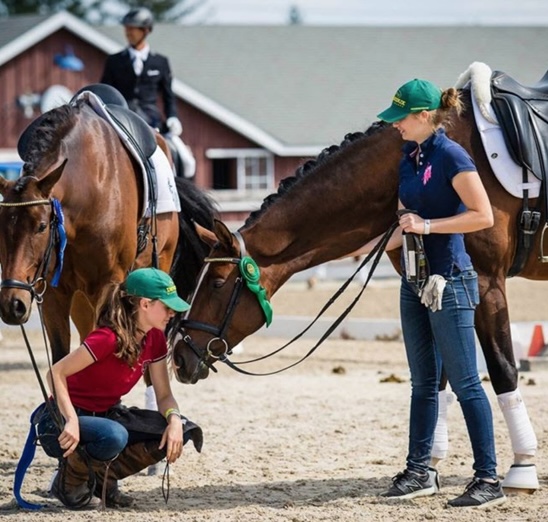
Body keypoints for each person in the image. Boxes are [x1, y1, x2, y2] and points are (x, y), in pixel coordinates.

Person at [350, 79, 506, 508]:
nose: (394, 124)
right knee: (422, 383)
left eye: (400, 118)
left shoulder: (453, 156)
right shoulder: (409, 158)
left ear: (423, 116)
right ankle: (419, 471)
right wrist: (359, 249)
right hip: (415, 282)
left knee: (467, 383)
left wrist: (429, 226)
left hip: (450, 280)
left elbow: (482, 215)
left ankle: (488, 478)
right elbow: (405, 222)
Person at [39, 268, 202, 509]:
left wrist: (175, 420)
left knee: (184, 429)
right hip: (60, 423)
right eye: (167, 306)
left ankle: (102, 481)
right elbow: (55, 373)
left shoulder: (155, 338)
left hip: (108, 415)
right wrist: (71, 420)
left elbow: (164, 395)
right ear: (145, 304)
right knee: (114, 435)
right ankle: (69, 484)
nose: (172, 313)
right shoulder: (107, 337)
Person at [101, 7, 182, 136]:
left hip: (152, 120)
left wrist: (172, 116)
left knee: (178, 147)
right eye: (126, 28)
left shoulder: (161, 62)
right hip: (122, 118)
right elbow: (105, 91)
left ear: (145, 30)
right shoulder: (114, 61)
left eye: (132, 28)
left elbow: (168, 95)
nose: (127, 33)